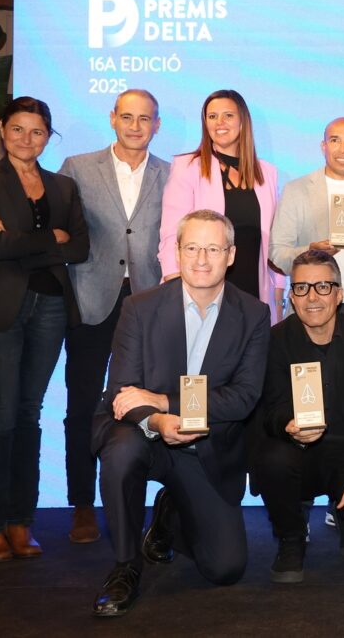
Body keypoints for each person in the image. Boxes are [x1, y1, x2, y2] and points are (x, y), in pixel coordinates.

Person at [90, 210, 270, 617]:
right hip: (144, 433)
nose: (201, 259)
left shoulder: (254, 315)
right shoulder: (139, 307)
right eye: (192, 248)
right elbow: (121, 389)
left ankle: (170, 514)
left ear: (231, 255)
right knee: (121, 452)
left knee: (225, 568)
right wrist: (157, 419)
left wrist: (164, 401)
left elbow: (243, 398)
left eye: (213, 249)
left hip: (205, 448)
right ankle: (125, 566)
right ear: (177, 251)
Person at [0, 97, 89, 561]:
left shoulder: (63, 186)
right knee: (1, 414)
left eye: (37, 131)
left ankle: (20, 520)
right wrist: (51, 238)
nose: (27, 139)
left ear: (48, 136)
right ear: (3, 132)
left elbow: (80, 247)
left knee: (29, 413)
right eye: (17, 129)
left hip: (50, 305)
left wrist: (17, 239)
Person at [55, 89, 168, 544]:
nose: (135, 126)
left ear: (157, 124)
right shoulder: (78, 167)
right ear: (112, 118)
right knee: (82, 404)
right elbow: (51, 220)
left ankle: (142, 504)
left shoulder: (171, 174)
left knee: (147, 402)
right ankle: (83, 504)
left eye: (144, 118)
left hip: (149, 303)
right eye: (127, 117)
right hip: (91, 300)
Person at [252, 249, 344, 583]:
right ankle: (291, 536)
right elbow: (269, 410)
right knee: (271, 459)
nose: (312, 297)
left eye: (323, 287)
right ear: (292, 296)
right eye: (301, 288)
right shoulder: (274, 340)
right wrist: (287, 425)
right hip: (297, 451)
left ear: (339, 294)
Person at [158, 89, 280, 323]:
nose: (219, 122)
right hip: (201, 290)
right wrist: (176, 287)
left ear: (243, 122)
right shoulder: (188, 167)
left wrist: (278, 293)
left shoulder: (267, 173)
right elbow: (171, 234)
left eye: (228, 115)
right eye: (212, 116)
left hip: (254, 292)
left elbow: (273, 239)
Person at [269, 118, 344, 331]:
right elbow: (277, 252)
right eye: (335, 140)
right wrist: (309, 252)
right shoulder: (296, 191)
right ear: (323, 146)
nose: (343, 149)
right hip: (311, 305)